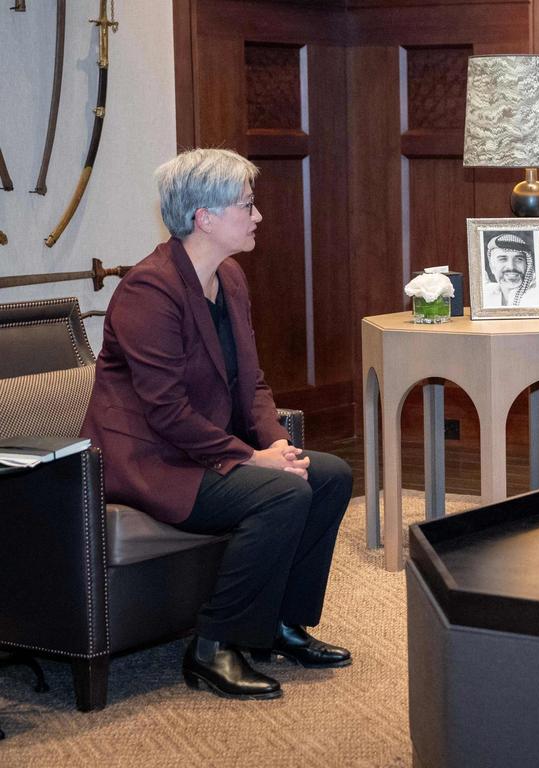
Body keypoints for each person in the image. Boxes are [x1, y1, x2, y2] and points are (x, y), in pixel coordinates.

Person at [80, 148, 354, 701]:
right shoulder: (147, 290)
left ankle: (278, 624)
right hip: (153, 463)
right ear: (204, 217)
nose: (257, 217)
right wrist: (254, 459)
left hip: (203, 452)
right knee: (280, 494)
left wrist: (278, 443)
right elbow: (166, 412)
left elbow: (249, 382)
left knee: (328, 475)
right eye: (247, 206)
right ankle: (212, 646)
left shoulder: (229, 277)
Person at [482, 231, 539, 307]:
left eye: (519, 259)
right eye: (502, 259)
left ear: (527, 265)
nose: (511, 267)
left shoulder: (537, 298)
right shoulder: (487, 294)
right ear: (491, 266)